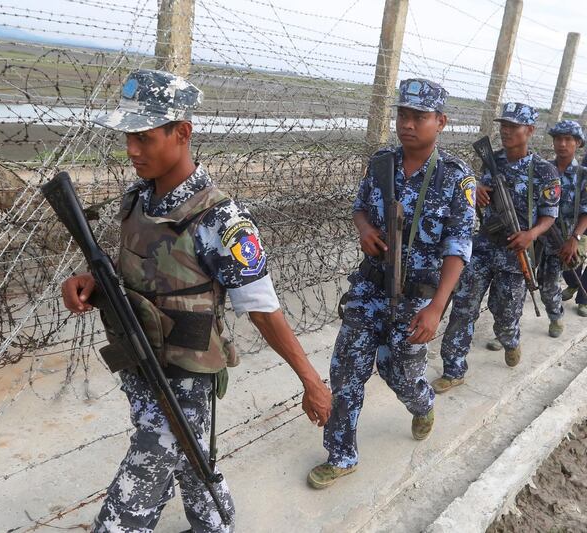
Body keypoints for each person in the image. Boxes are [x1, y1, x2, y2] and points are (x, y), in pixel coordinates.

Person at [61, 69, 332, 532]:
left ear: (182, 133)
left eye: (144, 137)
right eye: (129, 136)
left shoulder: (220, 219)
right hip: (139, 362)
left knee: (135, 494)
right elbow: (140, 274)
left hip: (185, 378)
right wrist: (92, 281)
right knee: (192, 462)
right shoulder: (136, 201)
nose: (131, 149)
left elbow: (262, 309)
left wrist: (311, 381)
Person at [307, 78, 475, 489]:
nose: (408, 123)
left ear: (441, 121)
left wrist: (437, 307)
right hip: (370, 286)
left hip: (418, 297)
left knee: (399, 371)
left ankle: (423, 403)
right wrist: (364, 229)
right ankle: (342, 454)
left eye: (419, 116)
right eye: (403, 114)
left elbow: (458, 247)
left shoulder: (456, 178)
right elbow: (361, 207)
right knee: (346, 369)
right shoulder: (381, 163)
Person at [434, 103, 560, 393]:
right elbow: (477, 195)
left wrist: (531, 234)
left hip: (515, 255)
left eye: (514, 126)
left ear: (529, 131)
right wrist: (476, 189)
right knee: (463, 307)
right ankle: (453, 369)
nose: (506, 131)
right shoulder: (491, 160)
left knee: (504, 314)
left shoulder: (544, 171)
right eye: (504, 125)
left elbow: (549, 215)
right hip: (482, 248)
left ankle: (510, 339)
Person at [535, 120, 587, 331]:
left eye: (568, 139)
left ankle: (555, 316)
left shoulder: (582, 175)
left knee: (548, 287)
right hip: (536, 236)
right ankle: (507, 329)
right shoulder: (542, 169)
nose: (562, 144)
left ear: (578, 144)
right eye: (558, 139)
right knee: (523, 283)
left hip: (563, 240)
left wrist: (575, 238)